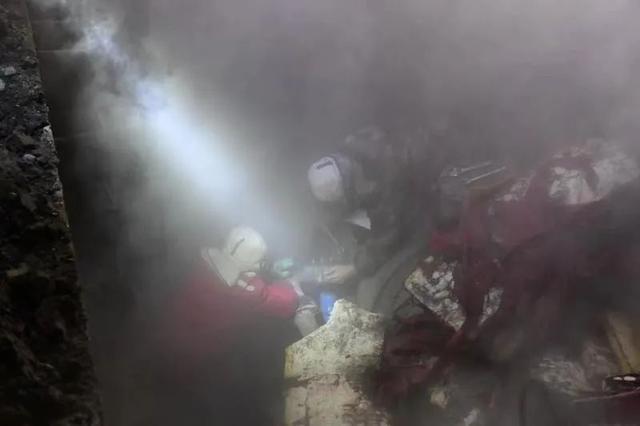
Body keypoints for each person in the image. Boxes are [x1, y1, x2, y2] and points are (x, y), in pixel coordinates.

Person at [159, 226, 317, 425]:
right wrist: (291, 286)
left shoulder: (205, 262)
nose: (259, 266)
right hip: (205, 361)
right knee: (230, 407)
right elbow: (282, 302)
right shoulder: (241, 287)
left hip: (176, 345)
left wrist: (268, 269)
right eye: (258, 262)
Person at [305, 126, 427, 286]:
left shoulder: (390, 176)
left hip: (418, 200)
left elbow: (389, 235)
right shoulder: (343, 159)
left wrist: (354, 268)